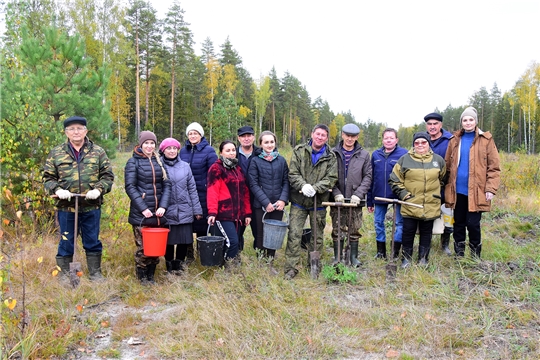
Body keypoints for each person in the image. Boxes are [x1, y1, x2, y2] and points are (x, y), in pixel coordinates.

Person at [43, 116, 114, 281]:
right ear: (66, 132)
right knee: (66, 241)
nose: (76, 132)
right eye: (72, 129)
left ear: (86, 131)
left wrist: (99, 189)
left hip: (91, 207)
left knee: (92, 241)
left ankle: (95, 274)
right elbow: (47, 178)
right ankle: (65, 275)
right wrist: (57, 189)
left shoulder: (97, 152)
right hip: (66, 208)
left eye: (80, 128)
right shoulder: (56, 153)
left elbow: (108, 176)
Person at [444, 107, 501, 258]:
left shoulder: (486, 140)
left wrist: (490, 189)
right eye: (465, 120)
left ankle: (475, 255)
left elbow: (494, 167)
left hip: (476, 191)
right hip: (458, 190)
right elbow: (447, 166)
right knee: (458, 223)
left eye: (471, 120)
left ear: (476, 121)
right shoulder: (454, 140)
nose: (468, 123)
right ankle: (459, 254)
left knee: (473, 224)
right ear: (461, 122)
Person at [285, 124, 338, 280]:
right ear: (312, 134)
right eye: (318, 134)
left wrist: (316, 187)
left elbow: (331, 178)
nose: (320, 137)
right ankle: (291, 268)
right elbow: (293, 173)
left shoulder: (331, 156)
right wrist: (303, 185)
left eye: (323, 135)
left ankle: (314, 266)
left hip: (319, 202)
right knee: (294, 234)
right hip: (298, 201)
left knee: (317, 236)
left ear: (327, 138)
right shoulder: (299, 151)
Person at [389, 132, 446, 268]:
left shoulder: (438, 160)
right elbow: (394, 179)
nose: (420, 145)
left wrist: (436, 195)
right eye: (417, 143)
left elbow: (443, 179)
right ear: (413, 144)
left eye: (423, 142)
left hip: (430, 204)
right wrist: (404, 194)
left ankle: (423, 259)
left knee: (427, 232)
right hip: (410, 203)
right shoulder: (404, 159)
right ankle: (406, 259)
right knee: (408, 232)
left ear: (428, 144)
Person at [125, 131, 171, 284]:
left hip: (158, 213)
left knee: (155, 248)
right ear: (140, 144)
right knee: (144, 248)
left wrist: (163, 206)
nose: (149, 146)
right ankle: (142, 278)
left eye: (152, 143)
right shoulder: (133, 162)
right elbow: (130, 187)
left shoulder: (159, 161)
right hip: (142, 214)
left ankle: (151, 276)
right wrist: (143, 207)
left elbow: (167, 184)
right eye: (146, 143)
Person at [247, 131, 289, 273]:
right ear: (261, 144)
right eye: (266, 142)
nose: (269, 145)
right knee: (260, 233)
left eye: (271, 142)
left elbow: (286, 181)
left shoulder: (281, 161)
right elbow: (253, 184)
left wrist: (282, 200)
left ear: (275, 143)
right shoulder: (255, 161)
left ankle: (270, 262)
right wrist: (266, 203)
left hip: (278, 205)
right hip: (261, 206)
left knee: (274, 234)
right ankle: (261, 262)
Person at [159, 137, 202, 275]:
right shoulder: (158, 165)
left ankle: (179, 266)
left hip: (185, 209)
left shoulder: (185, 166)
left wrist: (197, 209)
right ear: (163, 150)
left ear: (178, 150)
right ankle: (169, 267)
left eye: (174, 148)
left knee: (184, 240)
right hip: (167, 209)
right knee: (169, 241)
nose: (172, 151)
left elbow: (192, 189)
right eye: (168, 148)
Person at [331, 124, 372, 267]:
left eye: (353, 136)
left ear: (357, 137)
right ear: (342, 135)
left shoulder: (364, 155)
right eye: (347, 135)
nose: (349, 139)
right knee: (338, 230)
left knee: (354, 229)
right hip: (338, 200)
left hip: (355, 200)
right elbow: (329, 176)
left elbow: (368, 176)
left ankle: (353, 258)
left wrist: (359, 194)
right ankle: (337, 258)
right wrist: (336, 193)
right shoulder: (333, 153)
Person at [207, 141, 252, 264]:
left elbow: (245, 192)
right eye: (228, 150)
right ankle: (226, 266)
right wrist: (212, 212)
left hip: (238, 214)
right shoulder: (216, 168)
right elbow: (212, 191)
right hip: (223, 214)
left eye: (233, 150)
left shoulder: (237, 168)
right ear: (221, 152)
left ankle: (230, 265)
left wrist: (247, 213)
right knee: (232, 242)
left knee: (236, 241)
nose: (231, 153)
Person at [367, 128, 408, 259]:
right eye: (386, 138)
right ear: (382, 139)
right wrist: (369, 200)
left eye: (391, 138)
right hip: (379, 195)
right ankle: (381, 252)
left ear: (396, 140)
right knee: (378, 222)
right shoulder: (375, 155)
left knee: (399, 224)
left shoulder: (404, 154)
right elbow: (370, 178)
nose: (388, 140)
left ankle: (395, 252)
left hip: (397, 196)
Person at [179, 122, 217, 262]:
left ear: (201, 135)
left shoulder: (209, 151)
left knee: (202, 225)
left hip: (203, 194)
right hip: (185, 194)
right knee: (187, 225)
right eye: (190, 133)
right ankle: (189, 255)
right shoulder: (183, 151)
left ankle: (203, 255)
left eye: (195, 133)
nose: (193, 136)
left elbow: (214, 173)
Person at [425, 112, 454, 255]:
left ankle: (445, 244)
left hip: (446, 184)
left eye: (435, 124)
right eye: (429, 124)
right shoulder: (422, 140)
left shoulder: (450, 140)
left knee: (448, 214)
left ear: (440, 125)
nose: (432, 127)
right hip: (428, 186)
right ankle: (426, 243)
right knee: (429, 214)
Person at [236, 125, 261, 251]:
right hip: (238, 198)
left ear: (254, 137)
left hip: (257, 197)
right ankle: (236, 257)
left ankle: (261, 257)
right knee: (238, 230)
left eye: (249, 135)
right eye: (243, 136)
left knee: (258, 230)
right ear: (239, 138)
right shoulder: (232, 154)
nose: (246, 138)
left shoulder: (260, 153)